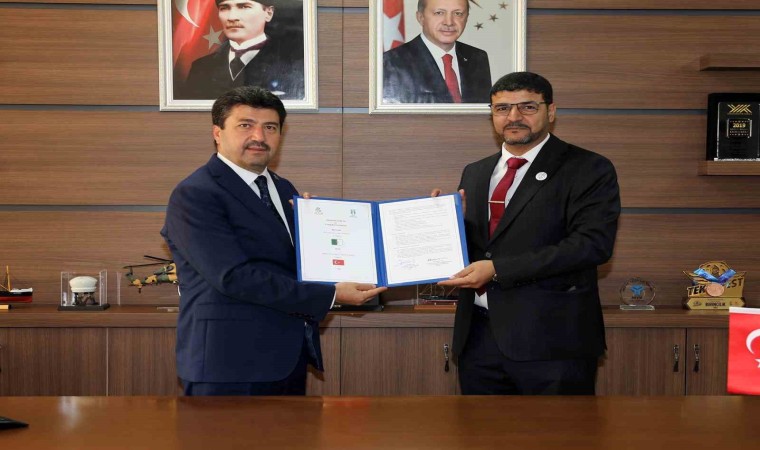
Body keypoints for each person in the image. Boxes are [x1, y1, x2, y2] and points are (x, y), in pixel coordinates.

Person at [161, 86, 385, 396]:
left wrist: (320, 232)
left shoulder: (282, 188)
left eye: (270, 127)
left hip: (286, 358)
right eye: (245, 125)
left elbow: (291, 262)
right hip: (227, 363)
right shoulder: (196, 193)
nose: (259, 136)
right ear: (217, 133)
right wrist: (332, 294)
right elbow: (232, 276)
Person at [435, 72, 621, 395]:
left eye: (527, 107)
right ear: (492, 115)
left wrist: (498, 269)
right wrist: (445, 225)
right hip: (479, 339)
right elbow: (484, 245)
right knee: (480, 428)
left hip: (553, 343)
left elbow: (591, 246)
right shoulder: (475, 172)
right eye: (502, 108)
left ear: (551, 111)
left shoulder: (588, 168)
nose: (514, 117)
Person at [177, 0, 304, 100]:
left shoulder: (296, 63)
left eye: (244, 6)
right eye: (224, 8)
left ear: (268, 13)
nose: (232, 17)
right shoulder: (200, 67)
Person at [382, 0, 491, 104]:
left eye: (458, 14)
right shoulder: (392, 62)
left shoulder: (477, 58)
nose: (449, 22)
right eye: (439, 13)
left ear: (466, 18)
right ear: (420, 17)